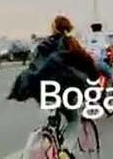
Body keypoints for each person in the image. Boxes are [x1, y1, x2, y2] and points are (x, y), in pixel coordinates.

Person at [8, 15, 100, 157]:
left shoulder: (43, 45)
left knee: (52, 114)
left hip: (41, 88)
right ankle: (66, 151)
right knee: (73, 119)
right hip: (64, 90)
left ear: (53, 28)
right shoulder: (72, 44)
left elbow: (33, 65)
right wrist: (93, 84)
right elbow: (88, 66)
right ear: (69, 28)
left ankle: (50, 131)